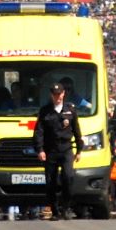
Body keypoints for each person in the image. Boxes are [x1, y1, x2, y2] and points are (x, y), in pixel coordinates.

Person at [34, 82, 83, 220]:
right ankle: (54, 210)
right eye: (55, 95)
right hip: (51, 150)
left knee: (68, 177)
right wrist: (40, 149)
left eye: (60, 94)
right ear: (51, 95)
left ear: (63, 94)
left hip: (66, 148)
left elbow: (76, 130)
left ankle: (66, 207)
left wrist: (79, 150)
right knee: (51, 182)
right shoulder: (45, 111)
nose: (58, 97)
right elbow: (39, 132)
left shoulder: (70, 110)